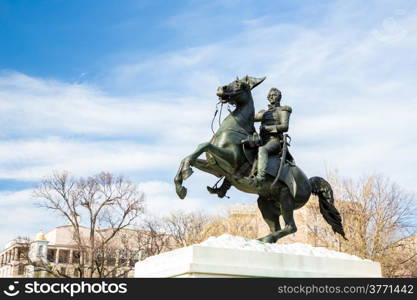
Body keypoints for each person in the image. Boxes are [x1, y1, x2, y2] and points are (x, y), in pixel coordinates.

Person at [249, 88, 292, 185]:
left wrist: (268, 128)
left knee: (262, 150)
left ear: (279, 97)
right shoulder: (264, 113)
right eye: (270, 95)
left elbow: (285, 127)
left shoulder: (283, 110)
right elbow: (250, 118)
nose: (271, 97)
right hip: (261, 140)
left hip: (274, 141)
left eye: (274, 95)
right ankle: (225, 186)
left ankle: (260, 178)